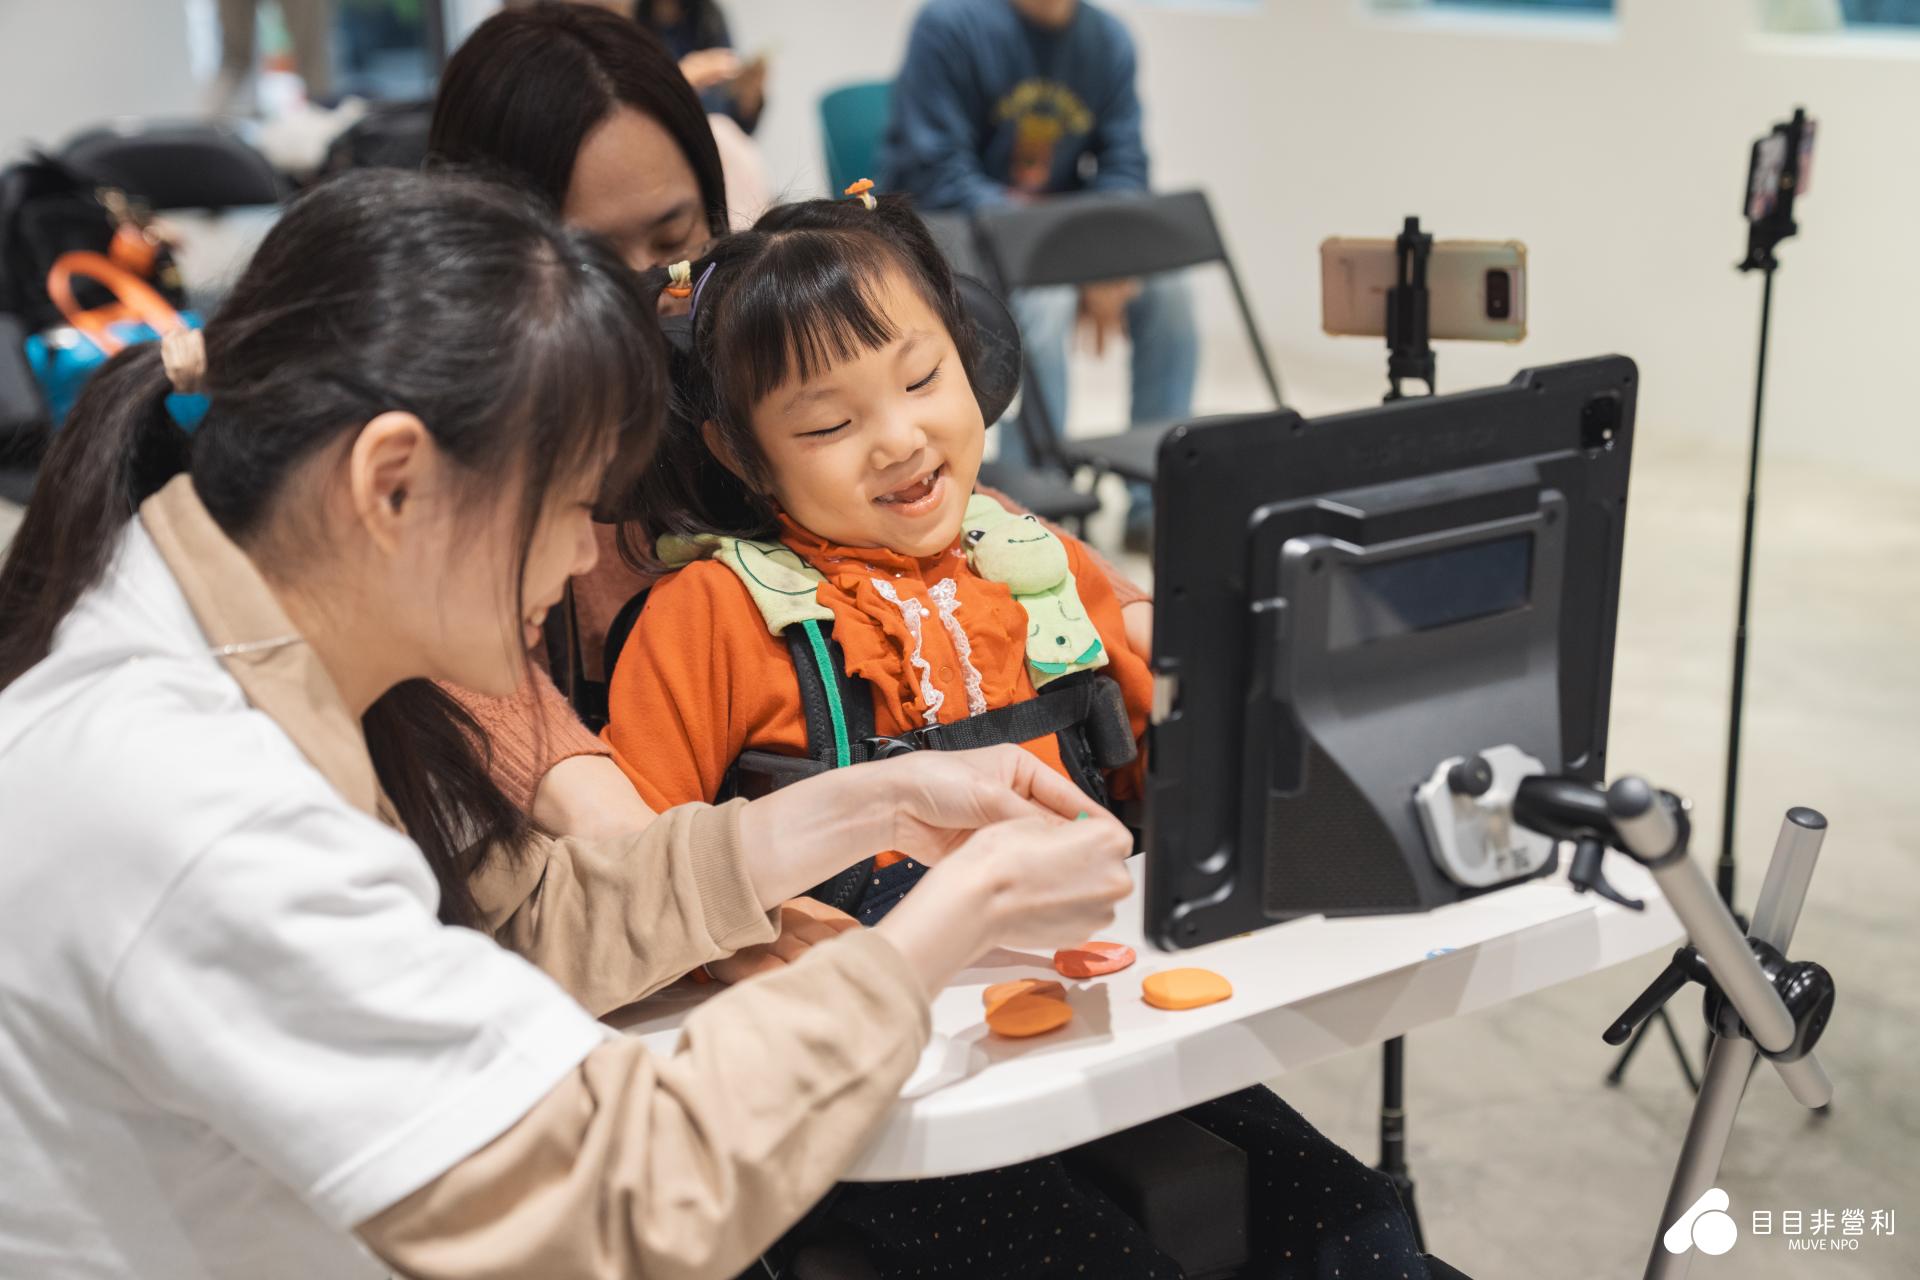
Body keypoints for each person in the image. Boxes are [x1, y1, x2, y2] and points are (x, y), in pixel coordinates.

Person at [0, 166, 1133, 1279]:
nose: (586, 552)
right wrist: (944, 920)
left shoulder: (287, 657)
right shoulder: (200, 804)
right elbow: (619, 1193)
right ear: (393, 481)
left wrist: (878, 800)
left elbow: (526, 919)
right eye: (565, 503)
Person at [598, 191, 1434, 1280]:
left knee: (1351, 1215)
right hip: (879, 1079)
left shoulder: (1035, 556)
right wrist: (753, 932)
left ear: (973, 357)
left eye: (921, 378)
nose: (898, 438)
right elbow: (635, 875)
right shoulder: (711, 614)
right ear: (743, 453)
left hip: (1100, 1013)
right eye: (826, 424)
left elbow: (1182, 702)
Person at [424, 2, 1154, 938]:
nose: (647, 295)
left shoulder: (778, 376)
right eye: (589, 266)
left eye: (672, 236)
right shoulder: (654, 592)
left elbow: (1061, 596)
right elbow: (614, 842)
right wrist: (705, 908)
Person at [879, 0, 1199, 536]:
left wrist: (1105, 254)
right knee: (1042, 303)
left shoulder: (1109, 40)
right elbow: (938, 174)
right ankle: (1035, 502)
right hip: (956, 231)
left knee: (1171, 293)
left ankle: (1153, 500)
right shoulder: (949, 25)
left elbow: (1125, 166)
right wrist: (1067, 251)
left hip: (1061, 237)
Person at [636, 0, 768, 137]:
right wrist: (679, 82)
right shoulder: (630, 19)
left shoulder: (710, 18)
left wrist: (747, 102)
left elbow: (730, 113)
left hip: (709, 135)